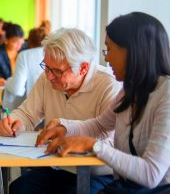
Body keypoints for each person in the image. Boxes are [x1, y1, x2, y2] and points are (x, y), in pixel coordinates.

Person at [37, 12, 170, 193]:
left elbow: (151, 174)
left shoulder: (166, 95)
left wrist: (93, 145)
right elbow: (100, 125)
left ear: (132, 50)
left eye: (109, 49)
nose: (106, 58)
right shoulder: (130, 90)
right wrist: (65, 127)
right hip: (126, 186)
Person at [0, 28, 123, 194]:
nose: (49, 76)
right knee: (19, 188)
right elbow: (27, 114)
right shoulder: (47, 79)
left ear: (83, 68)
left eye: (57, 71)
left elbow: (113, 142)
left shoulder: (109, 85)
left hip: (97, 172)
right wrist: (13, 121)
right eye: (46, 67)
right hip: (56, 166)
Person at [2, 27, 47, 110]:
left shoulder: (24, 55)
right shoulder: (52, 53)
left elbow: (17, 89)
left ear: (28, 41)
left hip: (32, 109)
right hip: (52, 106)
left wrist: (7, 82)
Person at [0, 22, 24, 86]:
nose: (19, 45)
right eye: (15, 42)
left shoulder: (23, 52)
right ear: (6, 40)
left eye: (21, 41)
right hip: (1, 91)